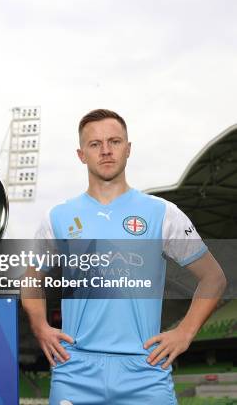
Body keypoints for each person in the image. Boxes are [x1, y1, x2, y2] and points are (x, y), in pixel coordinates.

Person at [21, 109, 226, 404]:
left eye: (114, 141)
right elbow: (31, 279)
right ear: (81, 155)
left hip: (145, 371)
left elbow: (213, 278)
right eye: (95, 144)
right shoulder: (58, 218)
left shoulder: (162, 213)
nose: (105, 151)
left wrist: (184, 332)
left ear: (128, 149)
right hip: (75, 371)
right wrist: (39, 326)